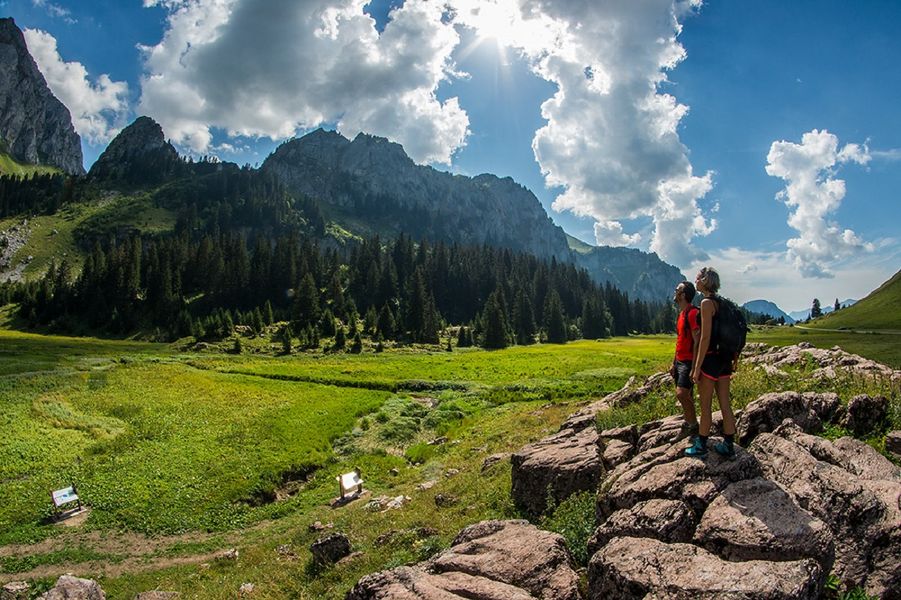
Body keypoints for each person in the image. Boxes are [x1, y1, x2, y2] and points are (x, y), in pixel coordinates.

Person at [685, 267, 738, 457]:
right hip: (724, 359)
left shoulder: (707, 303)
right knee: (725, 403)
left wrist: (696, 367)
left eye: (698, 277)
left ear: (705, 281)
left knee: (705, 405)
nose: (696, 280)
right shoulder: (722, 303)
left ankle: (700, 446)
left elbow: (705, 338)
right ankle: (729, 445)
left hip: (711, 360)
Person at [670, 281, 700, 444]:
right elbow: (680, 340)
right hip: (680, 361)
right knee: (686, 395)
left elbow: (697, 341)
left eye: (677, 290)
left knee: (681, 394)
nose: (675, 292)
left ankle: (692, 425)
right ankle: (690, 424)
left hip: (689, 362)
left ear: (683, 295)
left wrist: (695, 367)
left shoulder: (693, 313)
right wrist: (674, 363)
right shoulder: (681, 314)